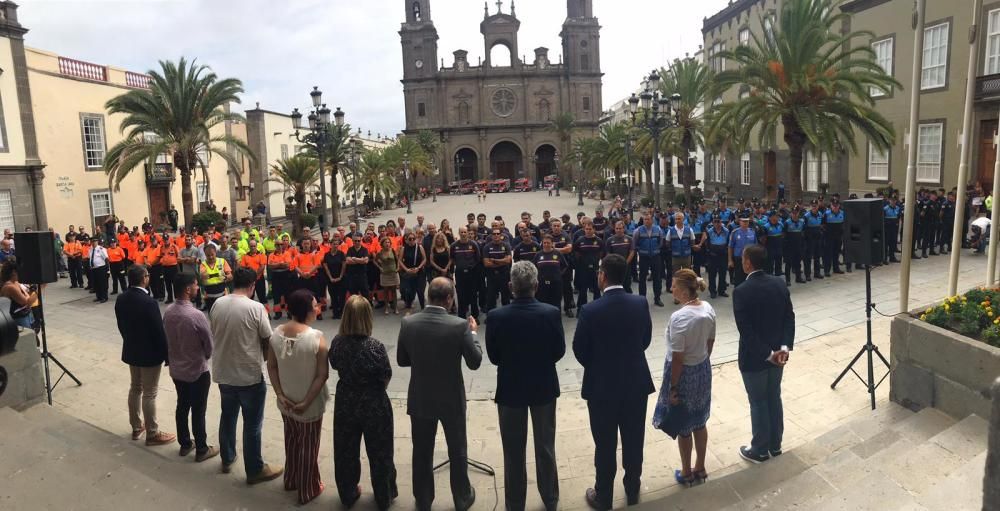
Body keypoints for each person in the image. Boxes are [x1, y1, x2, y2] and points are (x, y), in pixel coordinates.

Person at [573, 254, 654, 510]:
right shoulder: (639, 303)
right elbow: (645, 340)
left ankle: (604, 495)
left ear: (603, 275)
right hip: (635, 383)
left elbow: (579, 349)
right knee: (634, 438)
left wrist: (599, 365)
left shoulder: (590, 310)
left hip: (602, 387)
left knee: (605, 443)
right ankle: (632, 488)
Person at [397, 277, 482, 511]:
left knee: (422, 451)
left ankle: (423, 500)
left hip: (421, 396)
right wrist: (474, 334)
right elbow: (475, 362)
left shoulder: (409, 323)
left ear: (427, 296)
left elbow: (402, 360)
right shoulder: (459, 325)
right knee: (457, 450)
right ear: (449, 298)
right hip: (451, 398)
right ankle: (462, 497)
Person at [486, 262, 564, 511]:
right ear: (536, 286)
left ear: (510, 287)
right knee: (545, 445)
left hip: (510, 389)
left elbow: (494, 357)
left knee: (513, 450)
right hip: (543, 386)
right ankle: (550, 498)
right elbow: (558, 351)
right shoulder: (550, 313)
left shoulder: (496, 317)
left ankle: (515, 503)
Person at [210, 268, 283, 484]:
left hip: (224, 373)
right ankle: (254, 469)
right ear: (252, 286)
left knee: (228, 416)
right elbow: (267, 339)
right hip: (248, 375)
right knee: (252, 424)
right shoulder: (256, 308)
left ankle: (227, 457)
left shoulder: (218, 304)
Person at [329, 295, 399, 510]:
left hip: (346, 401)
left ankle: (348, 493)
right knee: (380, 451)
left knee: (345, 451)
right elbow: (385, 376)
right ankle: (384, 495)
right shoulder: (375, 347)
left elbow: (333, 364)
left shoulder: (337, 343)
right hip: (373, 402)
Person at [266, 289, 330, 505]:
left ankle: (291, 479)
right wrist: (306, 402)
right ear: (307, 311)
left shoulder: (276, 334)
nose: (317, 308)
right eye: (315, 306)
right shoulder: (316, 338)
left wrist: (279, 394)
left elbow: (271, 367)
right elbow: (322, 375)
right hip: (308, 404)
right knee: (308, 447)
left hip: (286, 401)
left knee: (292, 441)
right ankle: (307, 488)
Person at [652, 269, 715, 487]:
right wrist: (701, 358)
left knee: (683, 423)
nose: (671, 289)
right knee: (700, 420)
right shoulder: (707, 308)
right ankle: (701, 466)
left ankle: (687, 470)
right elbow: (710, 342)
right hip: (703, 368)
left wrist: (673, 387)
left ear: (685, 290)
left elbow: (677, 358)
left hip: (684, 373)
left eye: (674, 286)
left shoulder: (679, 317)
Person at [733, 244, 795, 464]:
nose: (741, 261)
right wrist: (784, 348)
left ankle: (759, 449)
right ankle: (775, 444)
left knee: (758, 401)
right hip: (779, 355)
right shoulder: (779, 282)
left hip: (755, 358)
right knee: (773, 396)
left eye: (743, 258)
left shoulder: (741, 291)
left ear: (748, 262)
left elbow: (746, 332)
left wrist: (767, 354)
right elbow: (790, 317)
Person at [115, 264, 176, 446]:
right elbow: (159, 331)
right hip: (149, 354)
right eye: (147, 275)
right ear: (144, 279)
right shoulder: (149, 302)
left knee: (135, 387)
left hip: (132, 349)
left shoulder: (121, 298)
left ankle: (136, 426)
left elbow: (121, 325)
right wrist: (167, 355)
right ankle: (152, 432)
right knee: (149, 393)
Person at [162, 272, 219, 462]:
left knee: (182, 405)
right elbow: (209, 345)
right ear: (188, 289)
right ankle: (202, 448)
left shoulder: (169, 311)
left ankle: (185, 443)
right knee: (198, 410)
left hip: (177, 370)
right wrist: (205, 356)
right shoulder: (195, 315)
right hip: (197, 371)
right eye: (195, 285)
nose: (197, 288)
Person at [633, 212, 665, 307]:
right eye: (645, 219)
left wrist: (655, 250)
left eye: (648, 219)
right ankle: (642, 300)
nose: (646, 221)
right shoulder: (638, 231)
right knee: (642, 279)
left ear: (652, 220)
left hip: (655, 257)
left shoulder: (658, 229)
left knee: (657, 278)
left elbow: (660, 242)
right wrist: (642, 250)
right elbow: (635, 243)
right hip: (644, 257)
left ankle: (657, 298)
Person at [1, 259, 39, 329]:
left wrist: (32, 291)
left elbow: (27, 297)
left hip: (26, 316)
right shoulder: (10, 286)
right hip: (18, 319)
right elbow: (27, 303)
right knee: (27, 339)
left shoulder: (15, 282)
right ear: (13, 272)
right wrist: (40, 289)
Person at [399, 230, 427, 311]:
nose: (412, 240)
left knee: (420, 291)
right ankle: (408, 305)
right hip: (409, 272)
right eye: (410, 239)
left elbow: (424, 259)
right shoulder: (403, 248)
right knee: (409, 291)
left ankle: (422, 308)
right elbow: (400, 260)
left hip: (419, 272)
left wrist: (418, 268)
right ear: (406, 240)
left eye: (413, 238)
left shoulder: (420, 247)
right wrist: (406, 270)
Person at [200, 243, 232, 312]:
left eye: (212, 254)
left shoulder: (222, 261)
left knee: (224, 314)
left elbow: (230, 276)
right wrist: (204, 276)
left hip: (222, 295)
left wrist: (226, 277)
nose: (210, 257)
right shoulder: (203, 264)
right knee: (212, 315)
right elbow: (203, 276)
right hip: (209, 296)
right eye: (208, 255)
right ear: (205, 255)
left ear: (215, 253)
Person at [374, 237, 400, 314]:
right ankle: (386, 308)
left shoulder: (393, 251)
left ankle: (395, 308)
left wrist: (398, 267)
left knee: (394, 292)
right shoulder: (380, 253)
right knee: (385, 292)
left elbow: (397, 259)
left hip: (393, 273)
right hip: (384, 274)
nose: (387, 244)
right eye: (386, 242)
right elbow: (375, 261)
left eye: (388, 242)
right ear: (382, 244)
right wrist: (380, 267)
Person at [89, 238, 110, 303]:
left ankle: (104, 297)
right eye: (92, 242)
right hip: (94, 268)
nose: (93, 243)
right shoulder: (91, 249)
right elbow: (90, 259)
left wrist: (108, 269)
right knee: (96, 283)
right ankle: (98, 297)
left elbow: (106, 259)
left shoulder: (101, 249)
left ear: (97, 242)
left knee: (102, 283)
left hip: (101, 268)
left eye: (95, 241)